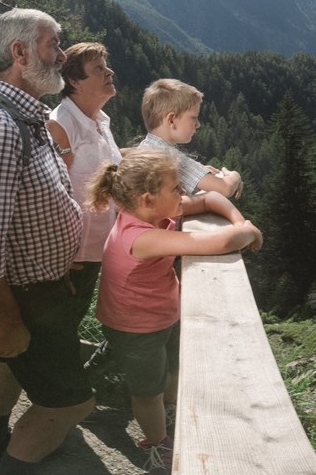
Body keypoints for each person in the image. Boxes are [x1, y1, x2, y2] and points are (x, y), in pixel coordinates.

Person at [0, 8, 94, 473]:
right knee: (69, 404)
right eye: (54, 44)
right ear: (20, 53)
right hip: (23, 298)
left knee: (10, 364)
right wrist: (9, 320)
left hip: (34, 289)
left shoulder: (26, 117)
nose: (62, 55)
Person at [88, 149, 261, 471]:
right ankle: (159, 445)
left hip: (160, 314)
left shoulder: (152, 213)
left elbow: (211, 199)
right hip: (136, 328)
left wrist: (240, 221)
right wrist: (248, 231)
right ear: (148, 199)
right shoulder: (141, 237)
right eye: (176, 188)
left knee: (172, 366)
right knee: (147, 392)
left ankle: (167, 410)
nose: (183, 192)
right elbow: (221, 243)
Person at [46, 42, 122, 329]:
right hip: (69, 257)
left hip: (92, 251)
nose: (109, 72)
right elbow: (47, 193)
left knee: (66, 325)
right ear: (75, 81)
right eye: (99, 68)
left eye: (106, 65)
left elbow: (106, 162)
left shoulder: (99, 120)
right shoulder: (60, 125)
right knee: (54, 331)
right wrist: (57, 256)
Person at [138, 78, 242, 198]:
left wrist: (199, 173)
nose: (198, 124)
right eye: (194, 117)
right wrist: (235, 176)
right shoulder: (171, 158)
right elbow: (225, 188)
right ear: (171, 120)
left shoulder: (145, 148)